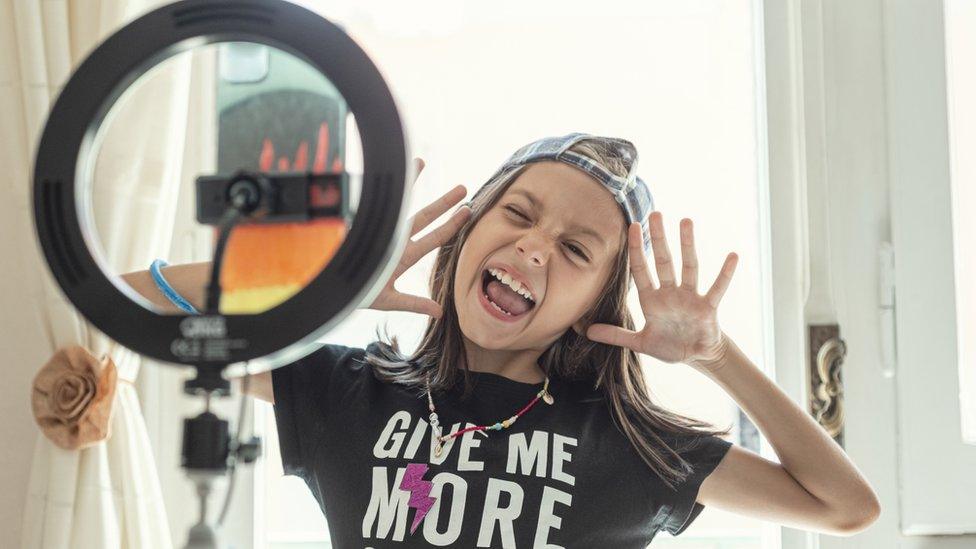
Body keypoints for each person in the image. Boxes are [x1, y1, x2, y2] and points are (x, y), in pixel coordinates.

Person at [123, 133, 880, 547]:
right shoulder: (347, 391)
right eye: (518, 214)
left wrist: (721, 358)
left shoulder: (627, 444)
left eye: (577, 250)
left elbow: (847, 507)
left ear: (594, 305)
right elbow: (127, 303)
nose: (537, 248)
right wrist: (325, 280)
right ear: (465, 233)